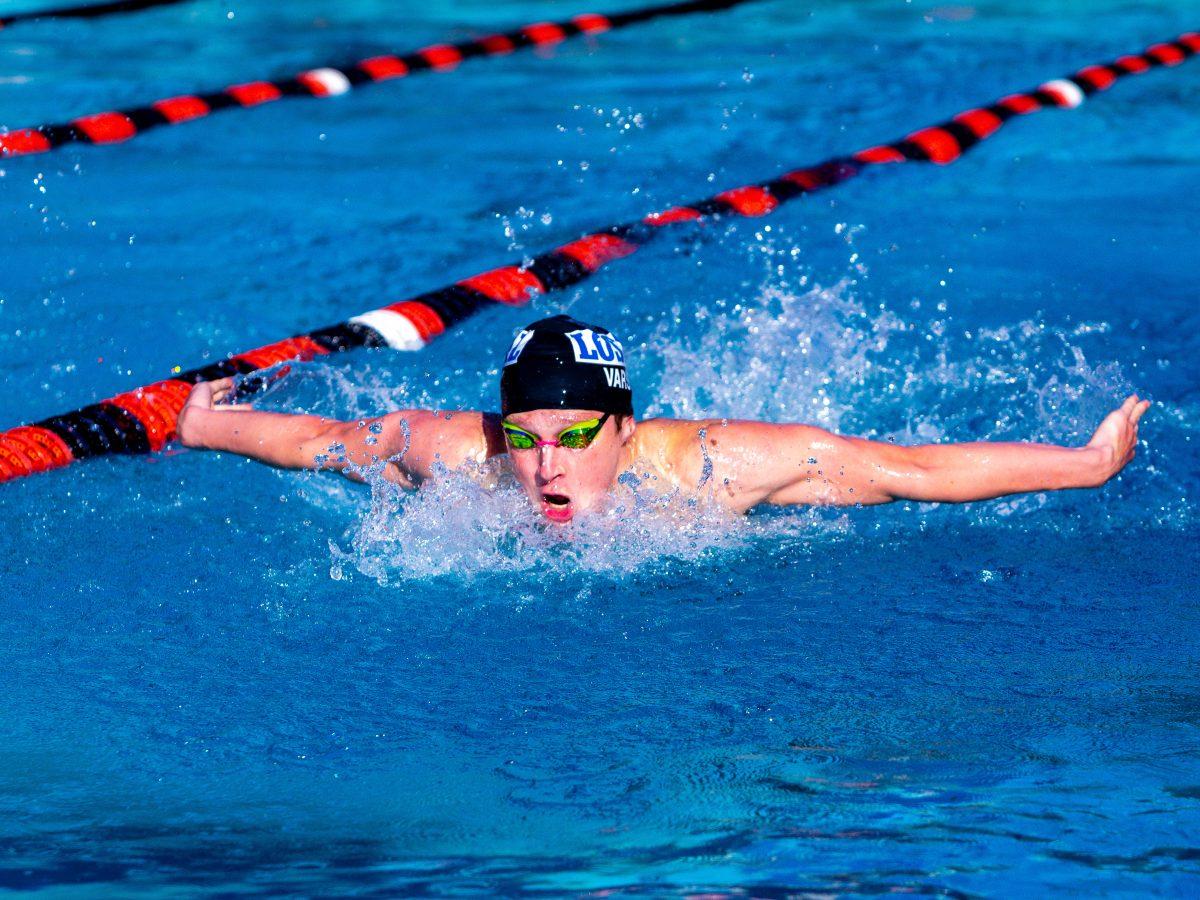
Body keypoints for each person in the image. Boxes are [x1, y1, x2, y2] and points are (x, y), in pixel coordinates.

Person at [175, 314, 1149, 524]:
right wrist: (204, 428)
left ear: (626, 431)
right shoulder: (461, 453)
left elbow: (913, 469)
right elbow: (327, 443)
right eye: (526, 438)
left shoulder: (717, 466)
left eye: (571, 438)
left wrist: (1085, 464)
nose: (544, 467)